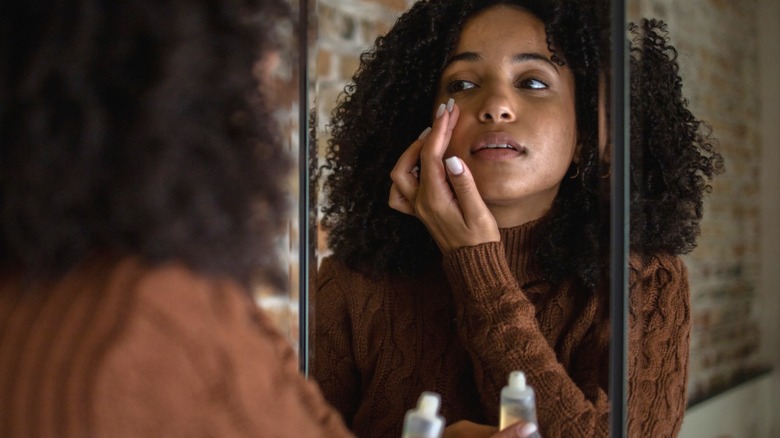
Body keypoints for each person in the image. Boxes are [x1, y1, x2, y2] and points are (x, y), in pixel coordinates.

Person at [313, 0, 724, 437]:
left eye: (531, 81)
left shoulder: (643, 282)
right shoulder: (353, 283)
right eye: (463, 83)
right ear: (423, 124)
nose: (496, 106)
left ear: (587, 134)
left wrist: (475, 263)